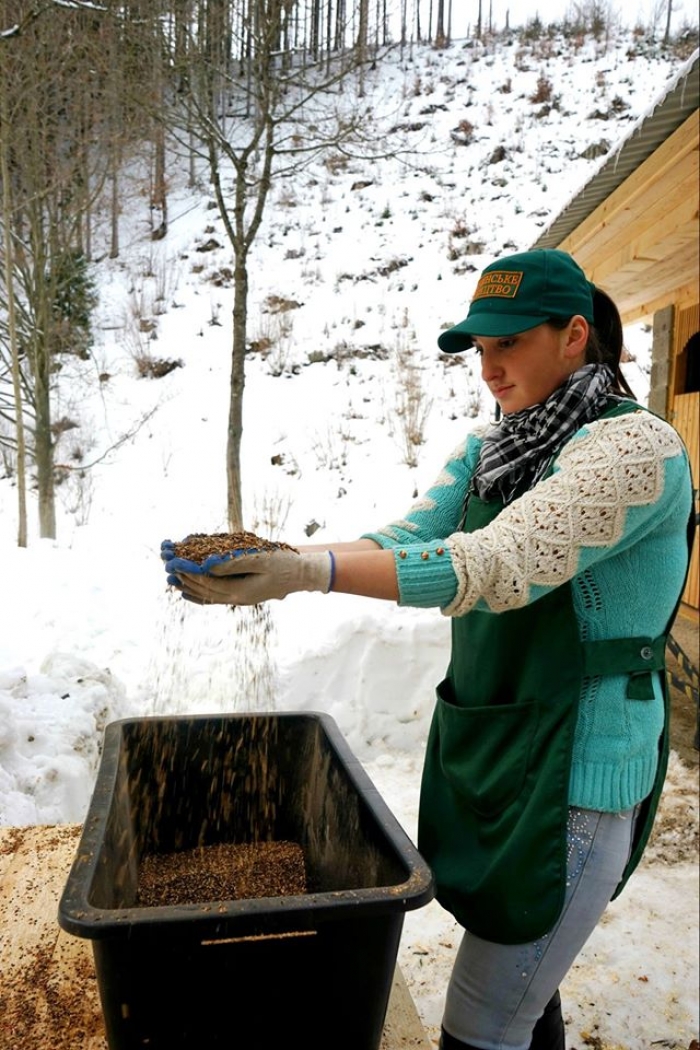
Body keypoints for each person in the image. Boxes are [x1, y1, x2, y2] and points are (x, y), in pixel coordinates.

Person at [162, 249, 695, 1050]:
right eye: (480, 350)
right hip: (497, 747)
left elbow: (496, 566)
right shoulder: (496, 448)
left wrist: (307, 574)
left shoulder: (632, 450)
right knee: (526, 985)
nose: (490, 368)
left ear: (575, 335)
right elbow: (409, 537)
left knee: (486, 1019)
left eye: (508, 344)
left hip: (578, 772)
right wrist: (272, 561)